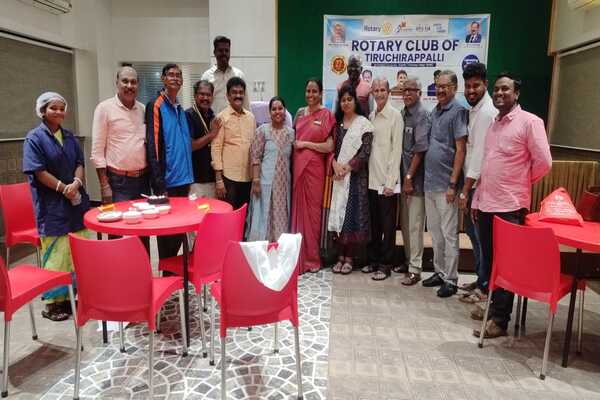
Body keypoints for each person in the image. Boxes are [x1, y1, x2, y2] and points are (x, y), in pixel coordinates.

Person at [472, 73, 552, 338]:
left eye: (505, 89)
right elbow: (486, 165)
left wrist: (520, 182)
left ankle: (500, 320)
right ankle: (493, 308)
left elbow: (544, 163)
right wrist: (477, 199)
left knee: (505, 264)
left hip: (509, 206)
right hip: (486, 203)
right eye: (496, 89)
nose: (499, 93)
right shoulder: (494, 124)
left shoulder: (530, 122)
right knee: (491, 261)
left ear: (516, 93)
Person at [23, 92, 90, 321]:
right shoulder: (34, 138)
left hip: (75, 203)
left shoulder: (69, 137)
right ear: (42, 111)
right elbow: (38, 171)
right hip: (52, 206)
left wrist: (76, 184)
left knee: (77, 251)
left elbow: (80, 163)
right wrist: (63, 188)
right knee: (57, 255)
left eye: (62, 108)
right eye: (53, 108)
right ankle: (54, 304)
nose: (59, 112)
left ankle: (72, 296)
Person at [422, 70, 468, 298]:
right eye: (437, 86)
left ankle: (451, 279)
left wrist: (452, 184)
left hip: (446, 185)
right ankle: (439, 272)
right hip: (430, 183)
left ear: (454, 88)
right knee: (435, 232)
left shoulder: (458, 112)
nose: (440, 90)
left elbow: (461, 149)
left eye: (444, 86)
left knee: (449, 234)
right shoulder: (435, 110)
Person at [457, 63, 497, 304]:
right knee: (474, 235)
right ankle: (481, 277)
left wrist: (464, 190)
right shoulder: (474, 110)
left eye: (476, 86)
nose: (471, 90)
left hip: (478, 186)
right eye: (468, 86)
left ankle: (484, 286)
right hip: (472, 184)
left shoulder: (486, 113)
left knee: (482, 239)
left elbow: (479, 155)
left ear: (486, 84)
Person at [145, 63, 194, 260]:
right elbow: (153, 147)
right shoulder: (156, 106)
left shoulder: (180, 109)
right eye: (171, 75)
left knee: (179, 233)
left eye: (178, 75)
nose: (175, 78)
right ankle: (167, 275)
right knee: (167, 237)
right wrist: (159, 185)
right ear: (163, 79)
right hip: (167, 183)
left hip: (184, 181)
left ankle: (174, 275)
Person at [291, 78, 335, 273]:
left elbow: (329, 146)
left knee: (314, 215)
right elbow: (292, 139)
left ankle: (312, 258)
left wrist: (306, 145)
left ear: (321, 93)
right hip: (298, 169)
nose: (310, 95)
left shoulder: (326, 115)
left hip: (315, 171)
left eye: (314, 91)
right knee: (299, 212)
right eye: (308, 91)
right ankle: (298, 256)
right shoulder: (300, 114)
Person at [329, 85, 374, 275]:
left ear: (355, 101)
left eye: (349, 99)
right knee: (339, 216)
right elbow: (330, 149)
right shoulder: (336, 124)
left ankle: (349, 258)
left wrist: (347, 167)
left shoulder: (363, 124)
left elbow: (365, 152)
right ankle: (339, 256)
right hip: (339, 177)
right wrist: (334, 165)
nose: (346, 103)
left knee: (351, 216)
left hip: (355, 178)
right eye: (343, 100)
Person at [364, 77, 403, 281]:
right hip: (371, 182)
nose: (379, 93)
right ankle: (373, 261)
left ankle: (386, 265)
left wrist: (390, 182)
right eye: (376, 90)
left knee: (388, 228)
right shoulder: (371, 116)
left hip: (386, 183)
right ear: (372, 93)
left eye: (382, 90)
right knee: (374, 225)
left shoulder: (395, 116)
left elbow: (397, 151)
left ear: (388, 92)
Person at [91, 66, 148, 205]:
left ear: (138, 85)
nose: (129, 86)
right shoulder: (104, 108)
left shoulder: (143, 109)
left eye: (133, 82)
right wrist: (104, 186)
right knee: (121, 218)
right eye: (125, 81)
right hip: (118, 182)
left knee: (144, 218)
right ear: (117, 83)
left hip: (143, 180)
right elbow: (97, 151)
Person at [247, 96, 295, 241]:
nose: (277, 112)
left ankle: (278, 247)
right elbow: (255, 157)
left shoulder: (291, 133)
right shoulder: (262, 131)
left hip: (283, 186)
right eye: (274, 109)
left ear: (285, 111)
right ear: (269, 112)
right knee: (264, 216)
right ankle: (263, 248)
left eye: (280, 108)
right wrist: (256, 180)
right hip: (264, 184)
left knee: (281, 216)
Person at [399, 77, 431, 285]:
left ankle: (415, 268)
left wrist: (409, 177)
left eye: (411, 90)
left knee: (415, 225)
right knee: (405, 224)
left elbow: (420, 151)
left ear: (419, 92)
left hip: (415, 181)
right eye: (405, 90)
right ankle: (408, 261)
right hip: (402, 180)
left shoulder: (422, 115)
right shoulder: (403, 114)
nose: (407, 93)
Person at [211, 76, 256, 210]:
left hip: (247, 177)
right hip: (228, 178)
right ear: (228, 96)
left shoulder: (251, 118)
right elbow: (216, 148)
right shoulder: (221, 117)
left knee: (244, 215)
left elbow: (254, 147)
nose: (238, 95)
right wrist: (219, 180)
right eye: (234, 92)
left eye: (241, 92)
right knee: (229, 215)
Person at [185, 80, 219, 198]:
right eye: (202, 94)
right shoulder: (188, 115)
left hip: (213, 178)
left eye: (208, 95)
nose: (205, 98)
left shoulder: (213, 116)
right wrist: (211, 135)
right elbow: (190, 146)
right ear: (195, 96)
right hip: (195, 180)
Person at [201, 36, 249, 114]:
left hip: (236, 120)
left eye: (226, 50)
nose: (224, 53)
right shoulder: (206, 76)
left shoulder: (238, 75)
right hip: (215, 120)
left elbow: (245, 102)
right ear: (214, 52)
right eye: (220, 50)